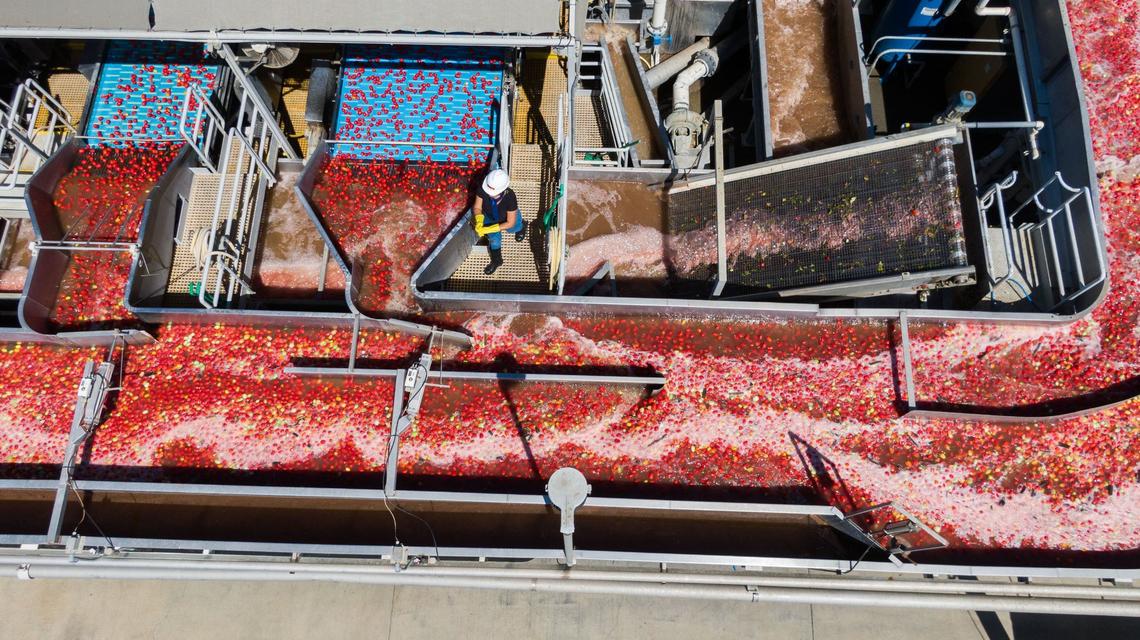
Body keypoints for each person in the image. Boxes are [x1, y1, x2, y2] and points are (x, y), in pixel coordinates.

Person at [473, 168, 525, 275]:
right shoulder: (483, 189)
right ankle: (497, 261)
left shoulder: (510, 196)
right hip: (489, 217)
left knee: (514, 227)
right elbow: (477, 208)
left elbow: (510, 222)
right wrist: (479, 220)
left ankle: (522, 226)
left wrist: (491, 228)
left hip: (507, 218)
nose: (489, 192)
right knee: (494, 240)